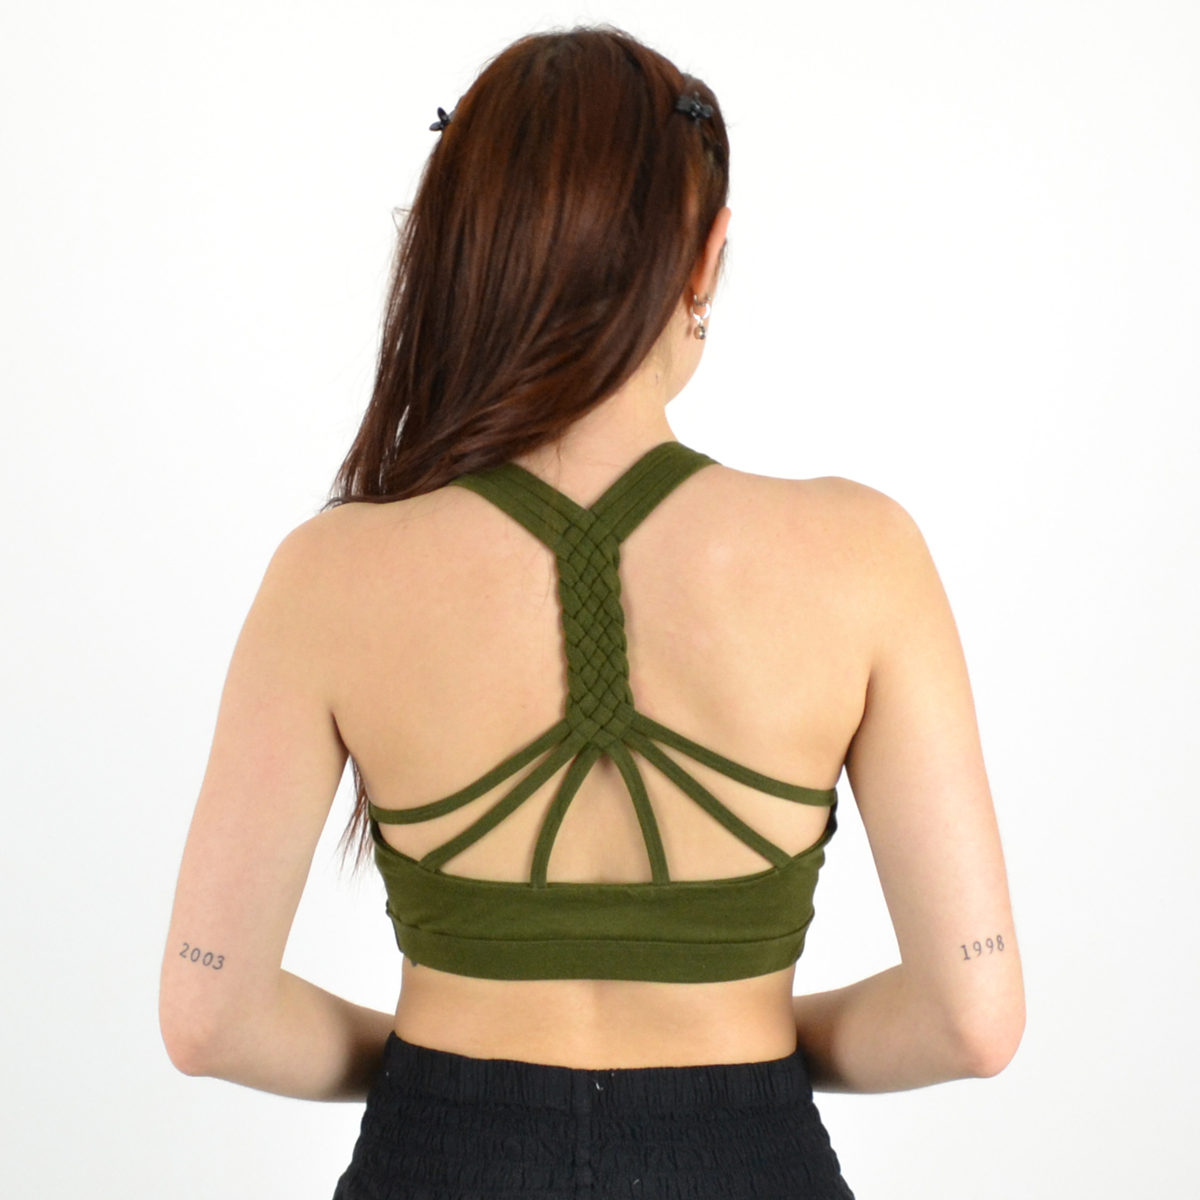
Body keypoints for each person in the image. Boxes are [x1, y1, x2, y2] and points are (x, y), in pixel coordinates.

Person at [159, 26, 1024, 1200]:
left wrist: (442, 1072)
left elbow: (210, 1015)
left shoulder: (330, 574)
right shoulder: (863, 555)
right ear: (706, 257)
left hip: (436, 1157)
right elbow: (973, 1018)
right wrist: (750, 1048)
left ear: (461, 250)